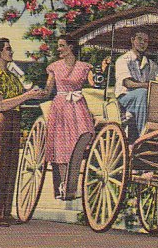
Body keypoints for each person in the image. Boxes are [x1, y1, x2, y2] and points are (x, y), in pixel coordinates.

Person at [0, 38, 43, 227]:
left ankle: (5, 213)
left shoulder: (11, 76)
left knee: (11, 167)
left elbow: (20, 97)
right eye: (8, 49)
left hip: (13, 121)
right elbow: (0, 104)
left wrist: (33, 93)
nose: (12, 52)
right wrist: (26, 95)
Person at [42, 35, 109, 200]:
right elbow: (47, 91)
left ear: (71, 47)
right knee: (61, 145)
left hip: (78, 107)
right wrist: (32, 94)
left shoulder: (84, 67)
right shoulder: (55, 67)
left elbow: (96, 84)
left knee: (80, 140)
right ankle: (63, 185)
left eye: (61, 45)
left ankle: (73, 184)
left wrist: (103, 68)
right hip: (60, 107)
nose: (58, 49)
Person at [114, 30, 158, 142]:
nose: (142, 43)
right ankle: (143, 136)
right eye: (139, 39)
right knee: (142, 93)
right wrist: (147, 85)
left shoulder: (152, 65)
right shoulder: (123, 60)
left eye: (146, 41)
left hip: (145, 98)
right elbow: (128, 83)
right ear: (132, 40)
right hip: (124, 99)